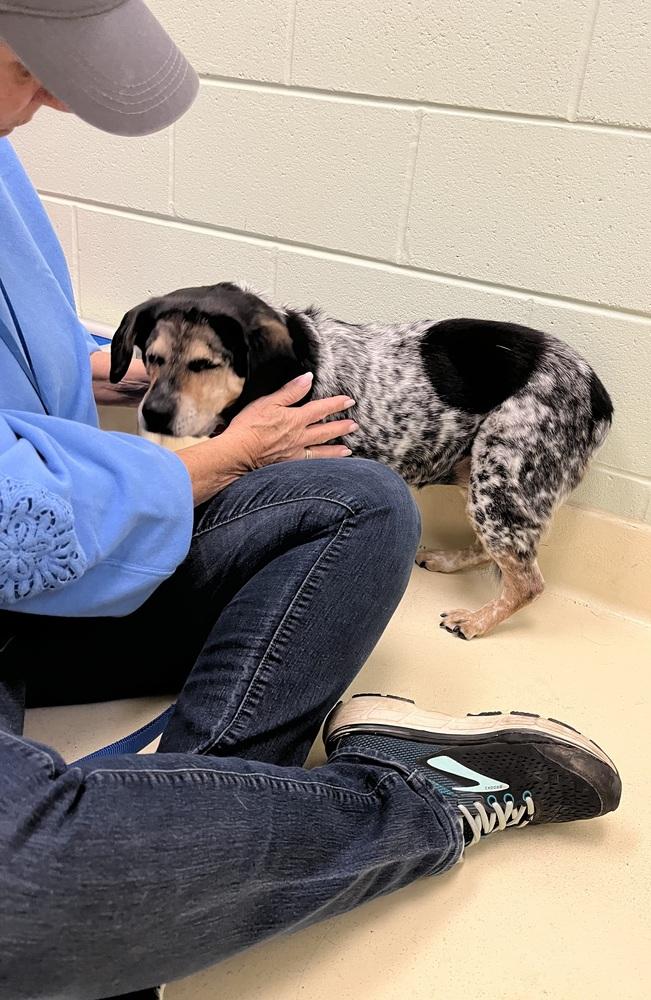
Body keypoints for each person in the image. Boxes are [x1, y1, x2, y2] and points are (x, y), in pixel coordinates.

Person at [0, 3, 621, 999]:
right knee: (20, 895)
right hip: (26, 552)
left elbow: (17, 362)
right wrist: (213, 458)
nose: (59, 96)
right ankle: (418, 794)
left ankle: (158, 844)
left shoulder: (0, 166)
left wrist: (113, 371)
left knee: (366, 500)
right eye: (31, 66)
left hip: (52, 580)